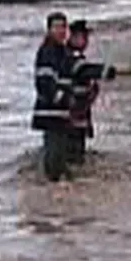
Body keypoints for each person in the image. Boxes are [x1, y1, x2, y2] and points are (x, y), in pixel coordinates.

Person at [32, 11, 77, 182]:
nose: (61, 31)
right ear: (49, 30)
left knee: (61, 158)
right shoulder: (47, 52)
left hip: (62, 114)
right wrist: (61, 97)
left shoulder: (65, 52)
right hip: (50, 113)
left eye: (64, 27)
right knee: (53, 159)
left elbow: (77, 71)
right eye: (57, 27)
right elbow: (44, 83)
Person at [63, 19, 116, 154]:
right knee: (74, 154)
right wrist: (104, 72)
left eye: (86, 37)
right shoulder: (70, 58)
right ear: (72, 37)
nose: (86, 41)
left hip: (78, 115)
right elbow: (85, 70)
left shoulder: (73, 56)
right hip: (72, 116)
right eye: (83, 37)